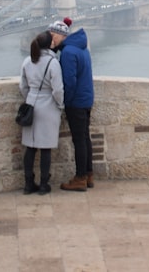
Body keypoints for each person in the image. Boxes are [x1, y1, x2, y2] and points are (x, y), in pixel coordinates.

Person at [49, 19, 95, 191]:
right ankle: (89, 174)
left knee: (79, 141)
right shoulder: (82, 48)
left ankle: (80, 177)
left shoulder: (68, 52)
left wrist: (64, 103)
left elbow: (69, 82)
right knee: (85, 138)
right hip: (86, 98)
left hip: (75, 102)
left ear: (61, 35)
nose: (51, 40)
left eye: (53, 36)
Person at [19, 30, 64, 195]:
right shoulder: (53, 63)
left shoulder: (27, 61)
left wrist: (30, 98)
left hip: (31, 103)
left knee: (30, 147)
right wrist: (60, 105)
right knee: (46, 148)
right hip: (48, 107)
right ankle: (44, 184)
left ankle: (28, 184)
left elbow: (22, 87)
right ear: (50, 44)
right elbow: (58, 89)